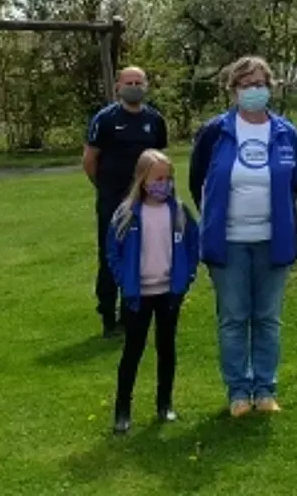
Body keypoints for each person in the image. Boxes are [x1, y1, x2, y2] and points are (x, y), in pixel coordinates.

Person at [189, 56, 297, 418]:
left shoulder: (286, 133)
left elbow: (294, 182)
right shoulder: (215, 131)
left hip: (273, 239)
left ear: (270, 87)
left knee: (267, 318)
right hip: (229, 242)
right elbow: (198, 182)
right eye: (245, 84)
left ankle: (265, 389)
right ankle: (239, 391)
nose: (253, 90)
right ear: (233, 90)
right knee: (235, 318)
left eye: (259, 84)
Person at [106, 150, 199, 434]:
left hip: (169, 293)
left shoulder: (180, 213)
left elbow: (193, 246)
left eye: (168, 178)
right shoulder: (127, 214)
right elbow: (113, 251)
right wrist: (124, 280)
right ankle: (123, 411)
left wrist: (186, 278)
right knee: (132, 351)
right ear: (143, 179)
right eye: (158, 178)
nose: (164, 184)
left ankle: (164, 403)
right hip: (138, 295)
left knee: (166, 348)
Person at [84, 66, 168, 337]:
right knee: (111, 255)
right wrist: (106, 188)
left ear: (146, 85)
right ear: (118, 87)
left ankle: (132, 312)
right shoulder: (105, 119)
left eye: (139, 82)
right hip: (112, 200)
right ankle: (107, 314)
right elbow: (89, 160)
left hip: (146, 200)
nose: (134, 86)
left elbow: (160, 163)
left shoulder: (155, 120)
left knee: (141, 254)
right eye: (129, 82)